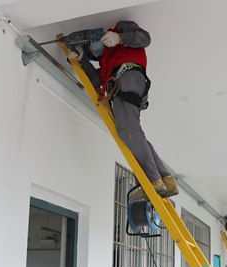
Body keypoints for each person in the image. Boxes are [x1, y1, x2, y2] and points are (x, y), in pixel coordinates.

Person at [67, 21, 178, 201]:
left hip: (128, 77)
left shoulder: (121, 28)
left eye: (91, 45)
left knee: (127, 131)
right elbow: (98, 81)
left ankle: (152, 180)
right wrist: (81, 60)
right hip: (120, 86)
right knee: (132, 132)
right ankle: (166, 179)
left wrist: (119, 37)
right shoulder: (106, 62)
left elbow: (145, 39)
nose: (94, 48)